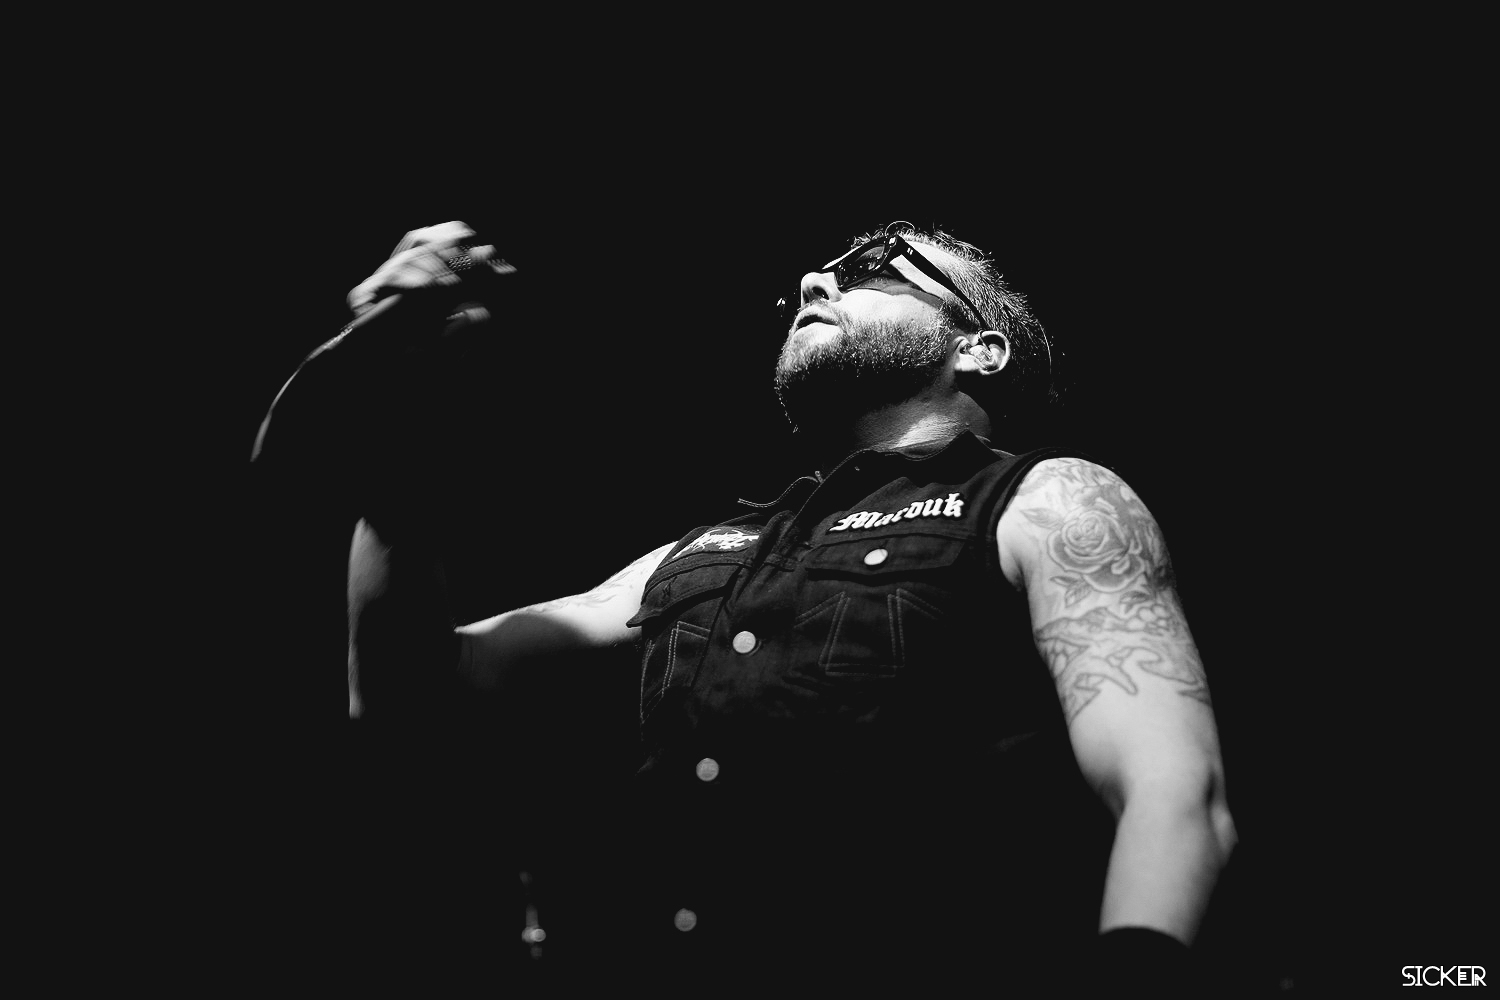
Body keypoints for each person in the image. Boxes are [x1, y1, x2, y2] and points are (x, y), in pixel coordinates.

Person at [260, 219, 1236, 991]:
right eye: (816, 275)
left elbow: (1170, 791)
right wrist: (396, 471)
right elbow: (412, 695)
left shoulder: (1050, 498)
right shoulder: (699, 552)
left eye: (872, 268)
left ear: (978, 348)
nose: (813, 283)